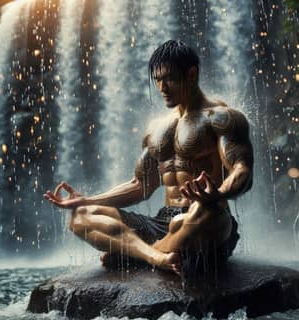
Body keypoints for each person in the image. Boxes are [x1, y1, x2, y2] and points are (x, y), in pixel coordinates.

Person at [44, 40, 253, 276]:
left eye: (169, 79)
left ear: (192, 74)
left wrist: (220, 193)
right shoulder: (157, 129)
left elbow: (241, 169)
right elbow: (140, 185)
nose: (162, 87)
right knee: (81, 216)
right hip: (160, 222)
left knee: (204, 216)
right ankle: (156, 257)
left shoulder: (222, 118)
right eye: (157, 79)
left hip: (205, 216)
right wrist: (87, 200)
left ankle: (134, 253)